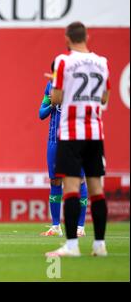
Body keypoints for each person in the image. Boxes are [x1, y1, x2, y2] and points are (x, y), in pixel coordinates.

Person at [46, 22, 110, 257]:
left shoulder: (63, 61)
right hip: (95, 132)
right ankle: (100, 244)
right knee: (96, 189)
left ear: (67, 38)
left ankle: (71, 246)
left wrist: (62, 94)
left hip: (72, 133)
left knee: (71, 188)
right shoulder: (102, 62)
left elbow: (56, 97)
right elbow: (104, 98)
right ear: (87, 36)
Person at [39, 61, 88, 237]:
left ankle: (80, 227)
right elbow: (41, 114)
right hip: (54, 141)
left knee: (79, 180)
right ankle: (55, 226)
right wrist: (52, 104)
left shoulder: (77, 87)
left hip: (74, 140)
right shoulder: (50, 87)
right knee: (55, 182)